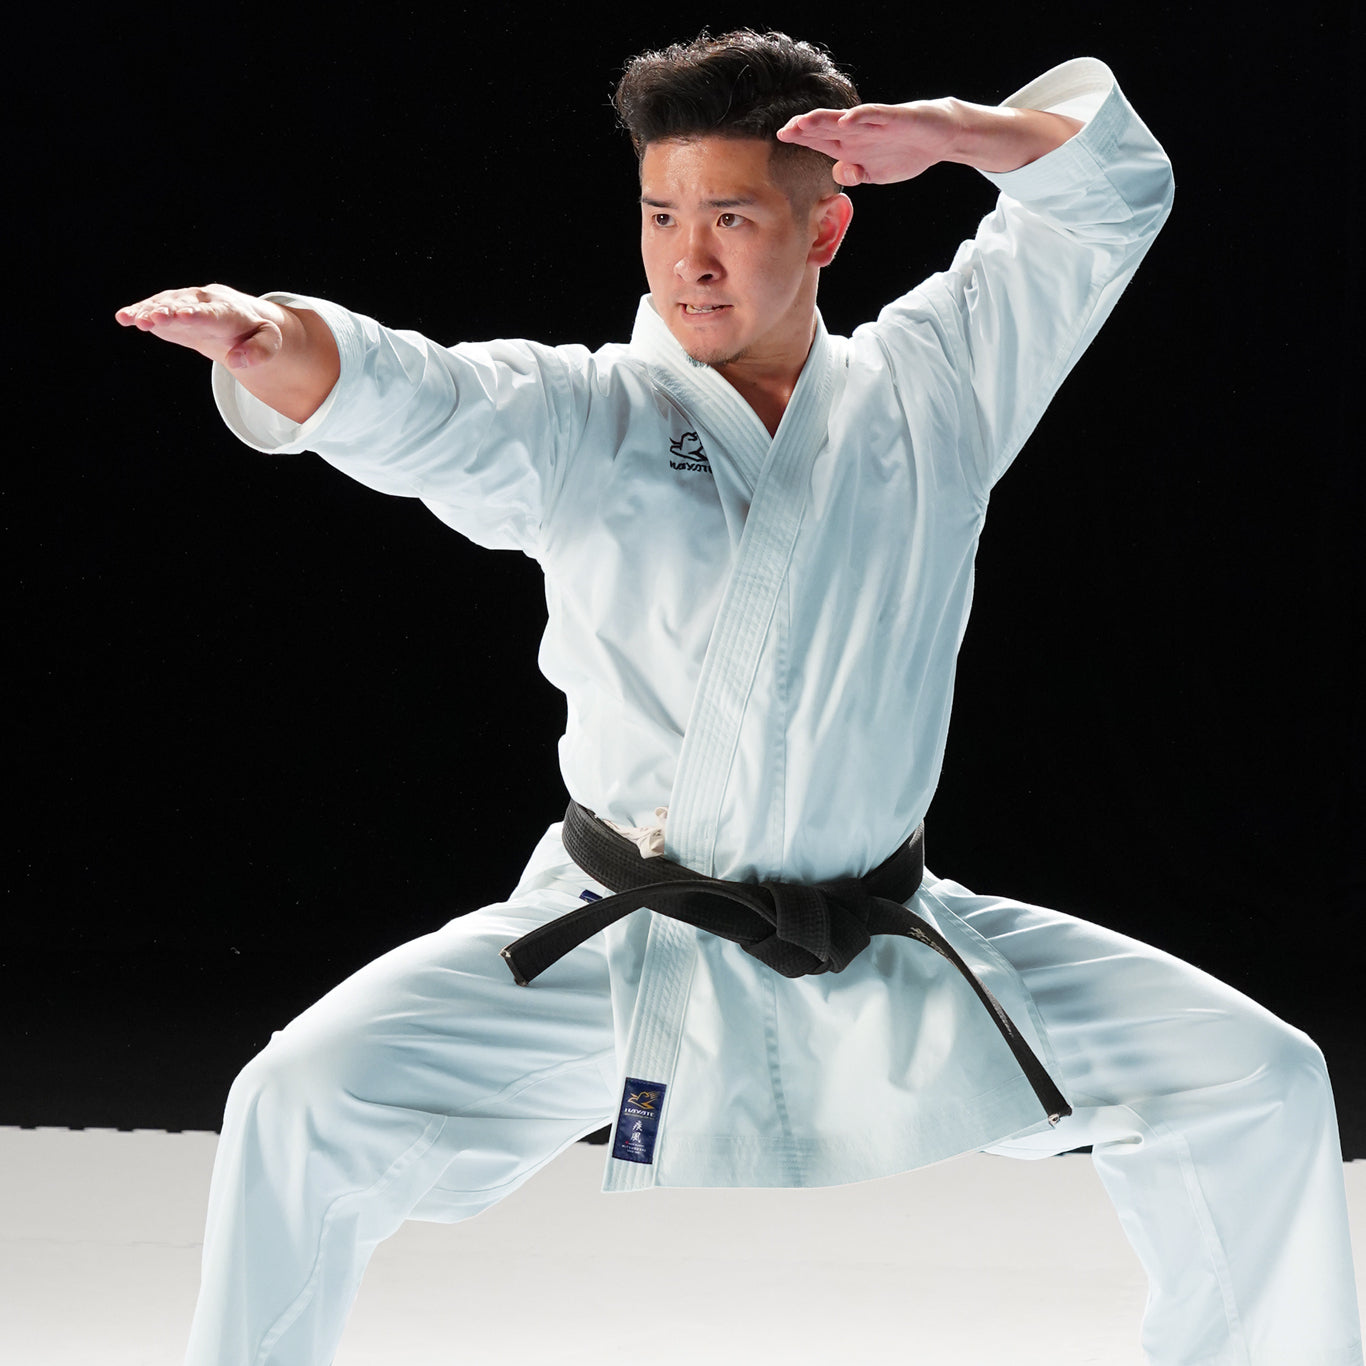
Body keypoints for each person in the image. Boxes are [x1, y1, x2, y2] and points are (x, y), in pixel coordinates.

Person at [117, 30, 1362, 1366]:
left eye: (730, 216)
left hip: (879, 934)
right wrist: (284, 340)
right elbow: (428, 397)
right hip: (618, 941)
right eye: (660, 215)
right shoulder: (583, 416)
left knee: (1258, 1080)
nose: (687, 257)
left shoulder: (934, 391)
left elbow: (1111, 197)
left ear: (824, 229)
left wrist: (955, 133)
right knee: (299, 1098)